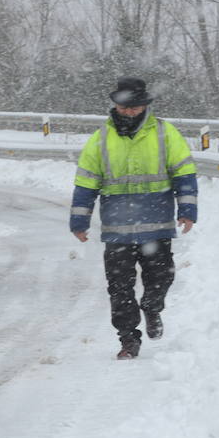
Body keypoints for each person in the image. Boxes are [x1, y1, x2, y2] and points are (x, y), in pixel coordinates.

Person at [70, 77, 198, 360]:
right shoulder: (101, 137)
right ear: (115, 104)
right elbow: (86, 182)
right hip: (118, 230)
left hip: (157, 225)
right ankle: (129, 339)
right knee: (119, 288)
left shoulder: (165, 133)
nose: (129, 111)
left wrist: (187, 210)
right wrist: (79, 221)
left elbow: (184, 173)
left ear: (145, 105)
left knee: (161, 278)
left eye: (135, 106)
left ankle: (152, 309)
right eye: (125, 106)